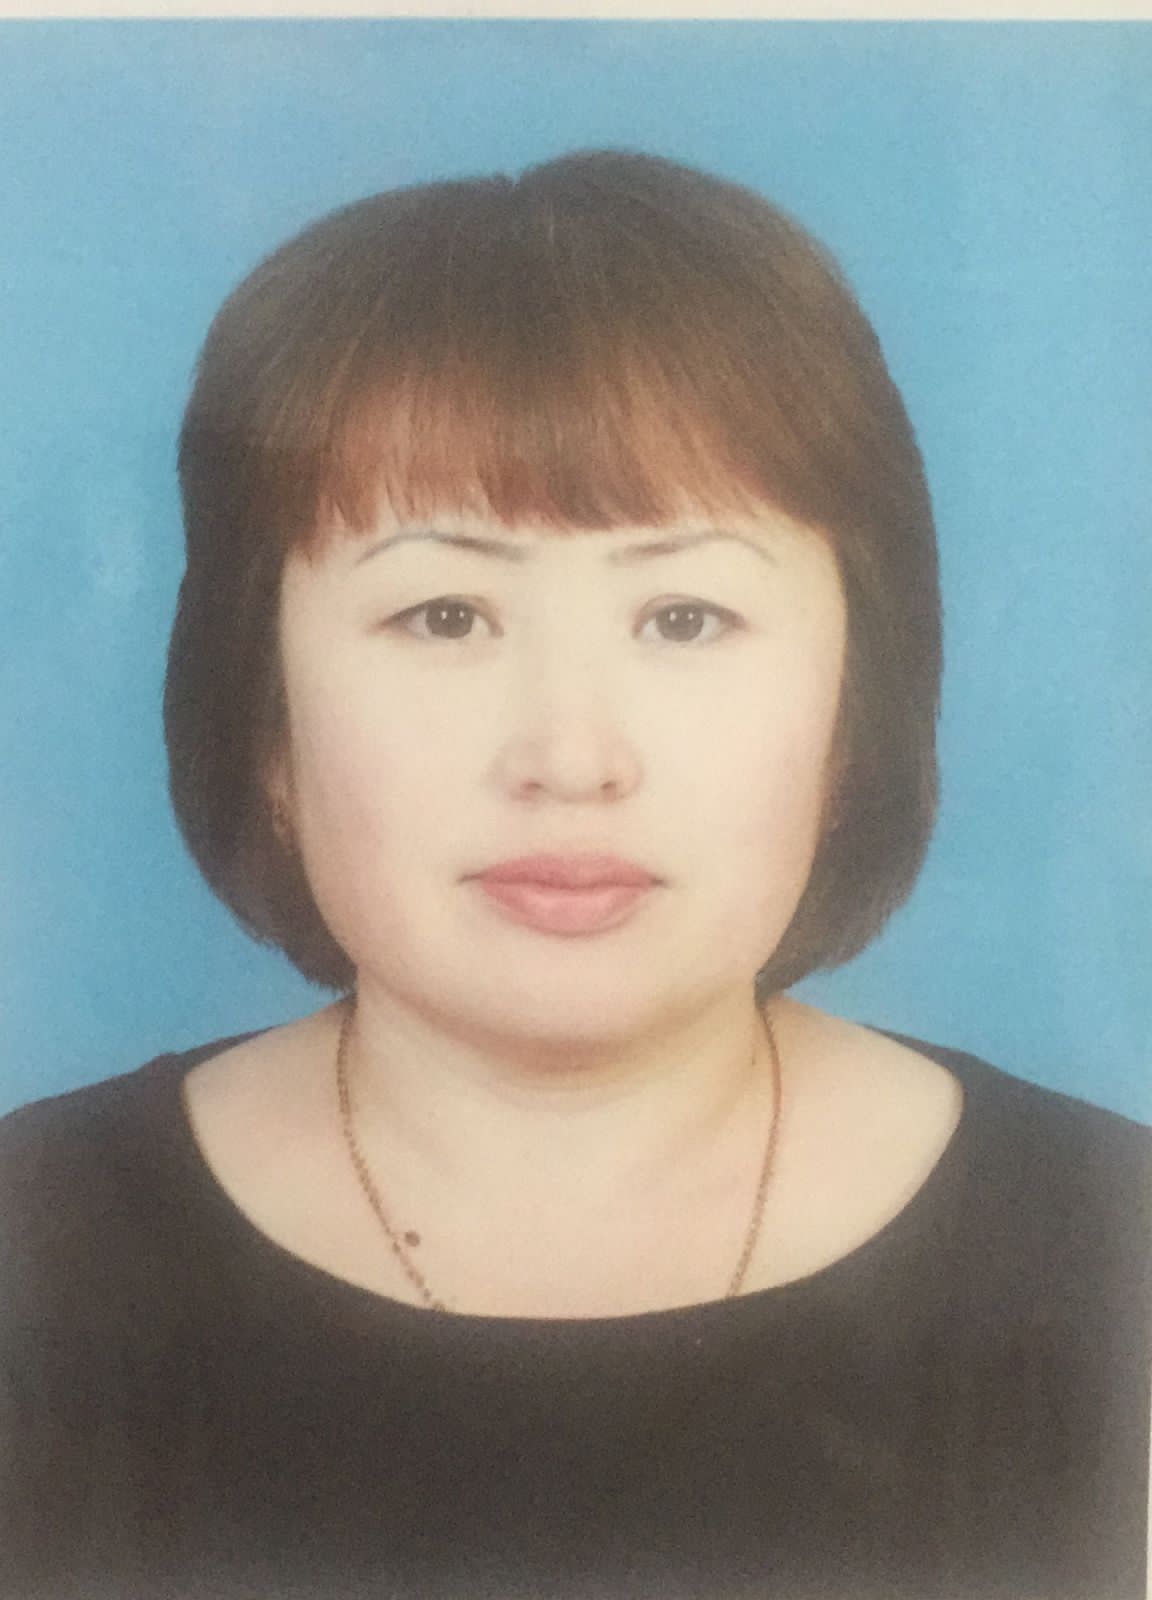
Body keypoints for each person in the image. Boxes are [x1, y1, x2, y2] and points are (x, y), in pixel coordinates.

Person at [0, 149, 1147, 1600]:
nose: (571, 756)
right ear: (263, 717)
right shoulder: (34, 1252)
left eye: (684, 617)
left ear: (856, 711)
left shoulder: (1116, 1256)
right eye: (443, 614)